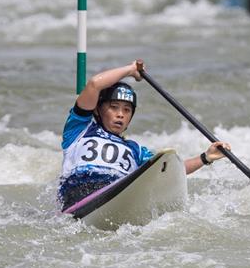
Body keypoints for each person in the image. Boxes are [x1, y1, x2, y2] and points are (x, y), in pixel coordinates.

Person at [59, 59, 230, 210]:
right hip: (76, 194)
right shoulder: (79, 129)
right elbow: (95, 84)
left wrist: (205, 157)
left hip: (114, 192)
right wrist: (130, 70)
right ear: (98, 109)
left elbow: (170, 169)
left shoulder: (135, 150)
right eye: (114, 107)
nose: (120, 114)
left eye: (126, 110)